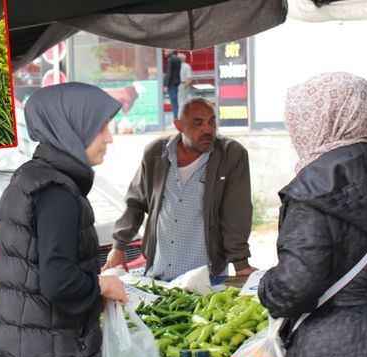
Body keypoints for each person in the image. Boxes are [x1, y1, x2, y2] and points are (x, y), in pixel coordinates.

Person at [0, 82, 129, 357]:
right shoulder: (58, 191)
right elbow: (59, 282)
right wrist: (103, 284)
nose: (109, 138)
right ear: (72, 127)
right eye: (101, 128)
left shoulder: (31, 178)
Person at [257, 72, 367, 357]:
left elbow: (292, 291)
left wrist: (265, 287)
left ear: (317, 119)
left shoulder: (312, 189)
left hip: (334, 352)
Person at [103, 97, 256, 280]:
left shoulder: (231, 155)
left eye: (212, 122)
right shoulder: (156, 153)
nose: (207, 129)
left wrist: (241, 263)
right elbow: (135, 203)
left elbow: (236, 212)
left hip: (206, 280)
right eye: (198, 123)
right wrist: (118, 247)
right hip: (158, 276)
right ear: (179, 125)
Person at [163, 50, 181, 120]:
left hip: (171, 84)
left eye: (165, 51)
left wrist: (166, 85)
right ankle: (176, 117)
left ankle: (175, 118)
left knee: (174, 102)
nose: (164, 53)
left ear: (170, 51)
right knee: (175, 101)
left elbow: (169, 73)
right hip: (176, 82)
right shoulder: (177, 59)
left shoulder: (170, 60)